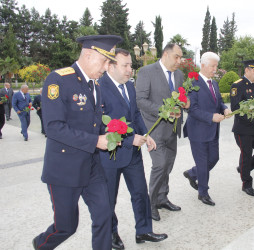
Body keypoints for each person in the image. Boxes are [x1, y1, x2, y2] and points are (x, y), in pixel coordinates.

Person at [32, 35, 123, 250]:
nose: (106, 67)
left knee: (104, 215)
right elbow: (53, 127)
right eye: (104, 61)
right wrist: (96, 141)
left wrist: (111, 134)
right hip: (64, 168)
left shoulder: (96, 85)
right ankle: (41, 245)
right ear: (88, 55)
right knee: (66, 227)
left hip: (92, 166)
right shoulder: (58, 80)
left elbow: (93, 124)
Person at [98, 48, 168, 249]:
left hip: (132, 155)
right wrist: (131, 139)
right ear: (111, 66)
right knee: (108, 198)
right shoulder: (99, 88)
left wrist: (146, 135)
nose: (130, 70)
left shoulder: (129, 86)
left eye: (131, 65)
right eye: (125, 65)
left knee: (140, 193)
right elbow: (103, 124)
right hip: (108, 154)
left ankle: (144, 230)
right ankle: (111, 234)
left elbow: (136, 114)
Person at [136, 43, 189, 221]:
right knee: (159, 165)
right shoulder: (147, 72)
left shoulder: (179, 75)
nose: (179, 61)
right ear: (165, 54)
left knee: (168, 165)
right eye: (176, 57)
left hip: (173, 129)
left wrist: (185, 103)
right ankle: (149, 205)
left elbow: (180, 97)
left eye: (181, 57)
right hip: (154, 129)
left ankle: (162, 198)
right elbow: (141, 100)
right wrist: (163, 111)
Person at [182, 52, 231, 206]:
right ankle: (203, 192)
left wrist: (225, 109)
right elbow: (192, 109)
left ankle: (192, 173)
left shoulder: (214, 84)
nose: (215, 69)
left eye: (216, 66)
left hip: (213, 130)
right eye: (212, 66)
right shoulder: (192, 83)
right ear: (202, 65)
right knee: (203, 164)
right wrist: (211, 117)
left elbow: (220, 102)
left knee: (214, 158)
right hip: (198, 130)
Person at [230, 59, 254, 197]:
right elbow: (235, 109)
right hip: (244, 129)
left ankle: (243, 169)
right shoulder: (238, 86)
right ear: (247, 70)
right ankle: (247, 184)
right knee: (246, 156)